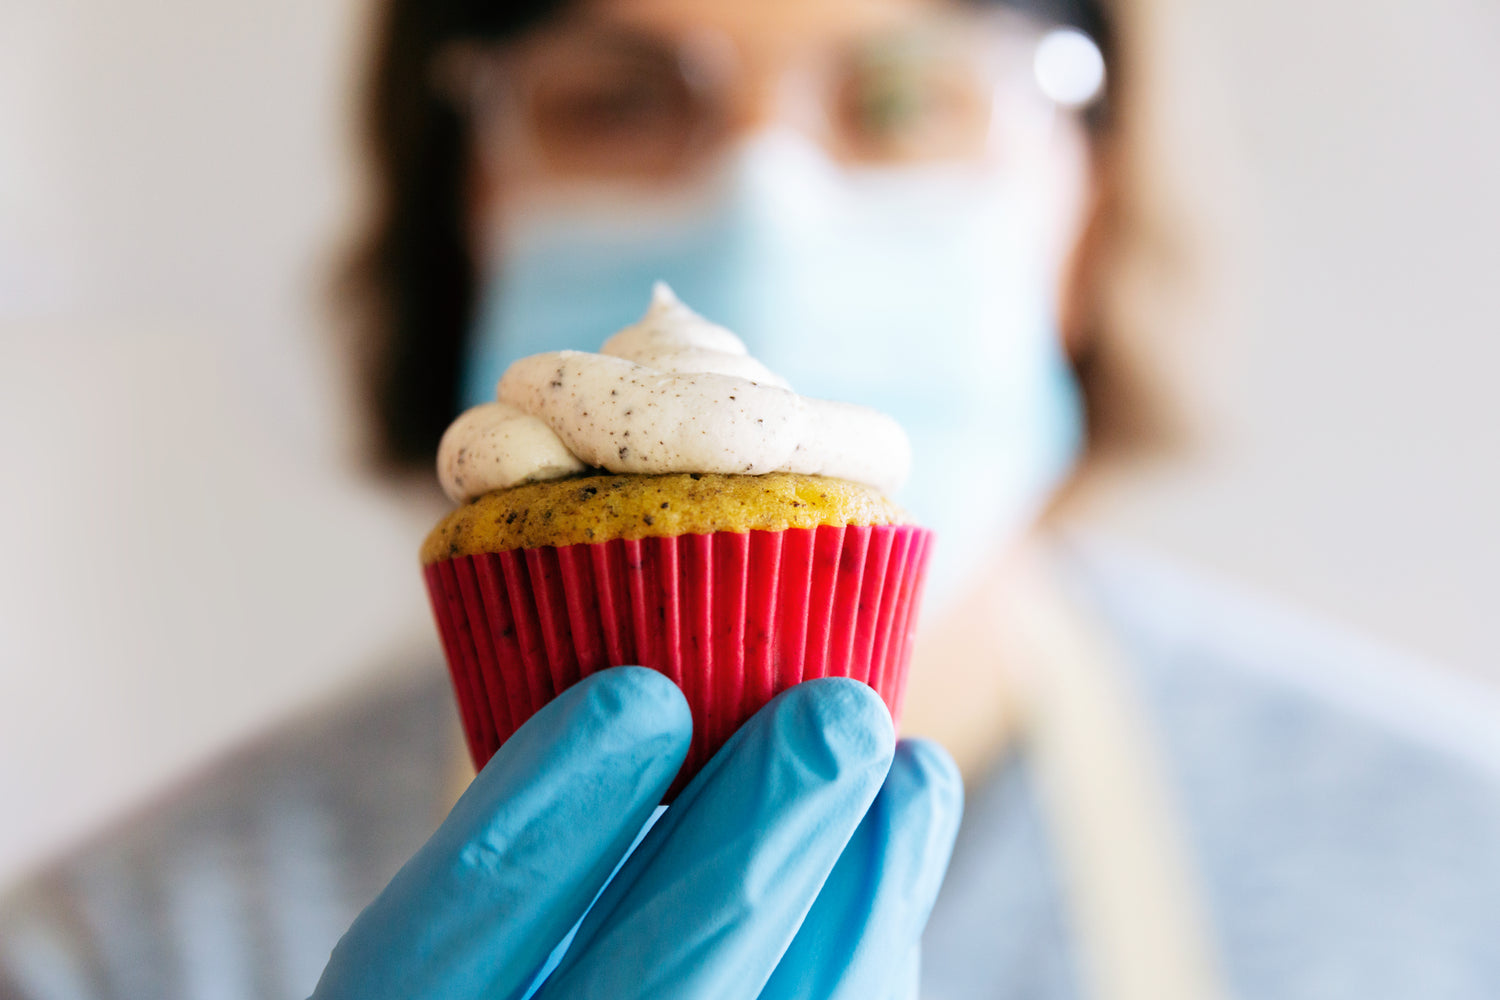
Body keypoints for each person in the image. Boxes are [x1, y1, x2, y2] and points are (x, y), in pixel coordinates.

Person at [4, 0, 1500, 997]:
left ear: (1086, 208)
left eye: (909, 95)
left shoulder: (1453, 878)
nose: (765, 201)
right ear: (467, 205)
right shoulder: (128, 946)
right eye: (615, 98)